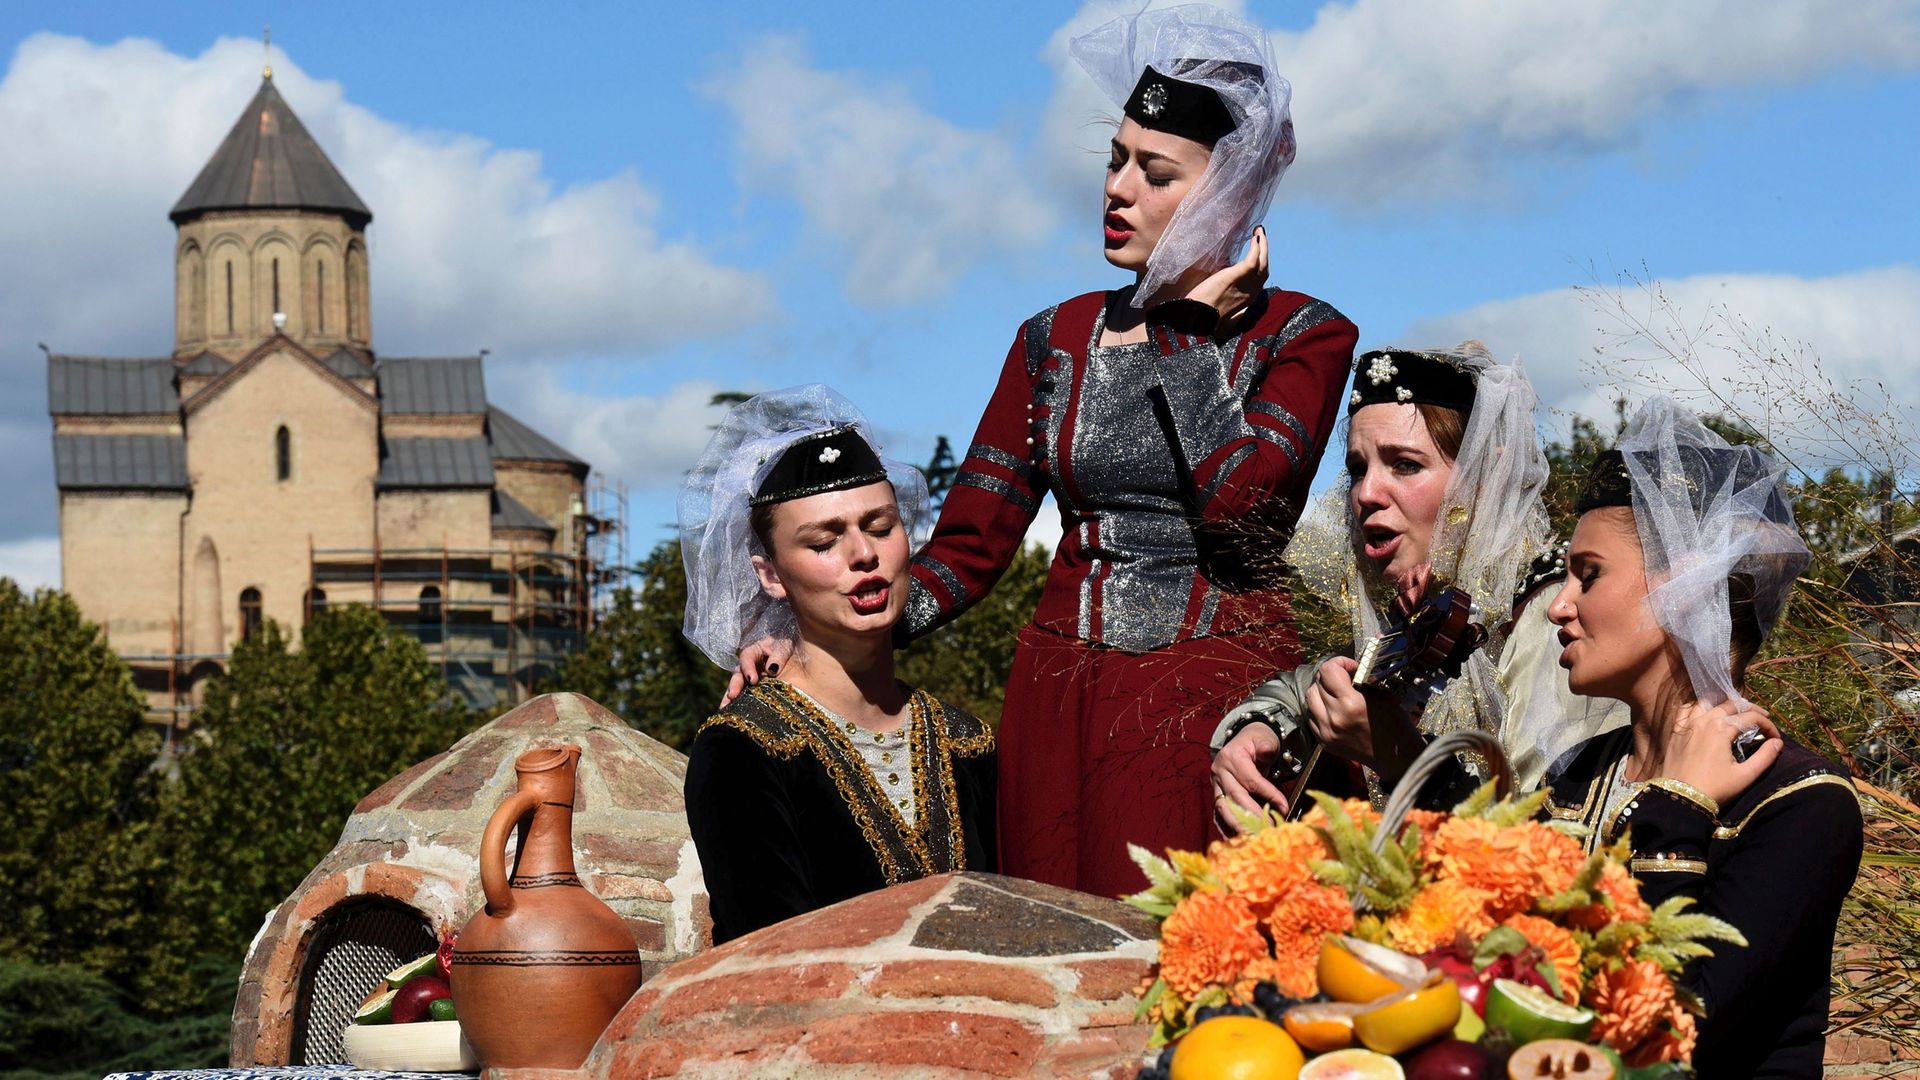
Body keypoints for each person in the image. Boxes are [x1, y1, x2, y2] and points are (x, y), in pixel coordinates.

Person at [1543, 397, 1861, 1077]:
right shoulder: (1574, 776)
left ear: (1685, 589)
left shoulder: (1804, 803)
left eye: (1587, 574)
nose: (1557, 605)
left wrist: (1680, 806)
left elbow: (1677, 1037)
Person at [1210, 345, 1626, 826]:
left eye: (1405, 464)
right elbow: (1316, 682)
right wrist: (1263, 726)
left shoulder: (1553, 616)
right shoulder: (1426, 612)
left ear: (1485, 476)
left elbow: (1552, 842)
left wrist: (1401, 759)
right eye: (1358, 468)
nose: (1367, 494)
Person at [680, 386, 995, 945]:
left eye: (880, 527)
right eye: (824, 541)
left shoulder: (966, 742)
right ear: (770, 575)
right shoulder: (744, 749)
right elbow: (770, 955)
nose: (863, 555)